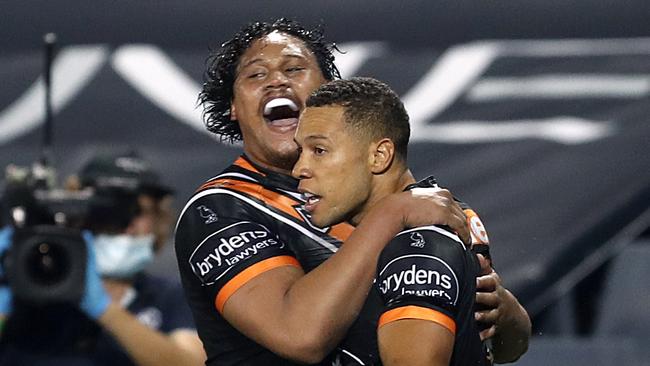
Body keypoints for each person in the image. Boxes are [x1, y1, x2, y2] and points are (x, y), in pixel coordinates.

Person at [174, 18, 529, 365]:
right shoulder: (219, 210)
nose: (276, 82)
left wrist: (501, 309)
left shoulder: (418, 204)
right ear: (234, 107)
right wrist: (392, 215)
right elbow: (300, 337)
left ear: (325, 91)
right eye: (256, 74)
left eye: (295, 69)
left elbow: (507, 348)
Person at [294, 76, 498, 365]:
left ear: (379, 156)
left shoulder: (416, 246)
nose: (299, 168)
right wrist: (514, 317)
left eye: (319, 151)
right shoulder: (455, 214)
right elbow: (507, 345)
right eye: (300, 151)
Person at [0, 150, 206, 366]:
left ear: (159, 221)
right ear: (76, 212)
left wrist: (104, 309)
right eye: (109, 211)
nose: (126, 224)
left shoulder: (172, 296)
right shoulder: (27, 288)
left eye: (138, 211)